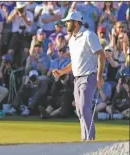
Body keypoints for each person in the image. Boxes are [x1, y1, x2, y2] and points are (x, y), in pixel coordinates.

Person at [52, 11, 106, 141]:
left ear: (76, 22)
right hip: (77, 79)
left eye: (68, 21)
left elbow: (101, 55)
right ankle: (85, 139)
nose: (66, 23)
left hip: (89, 76)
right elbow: (74, 62)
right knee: (80, 111)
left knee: (83, 107)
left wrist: (99, 77)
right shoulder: (72, 40)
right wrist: (62, 71)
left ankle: (90, 140)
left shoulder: (89, 35)